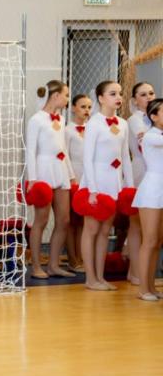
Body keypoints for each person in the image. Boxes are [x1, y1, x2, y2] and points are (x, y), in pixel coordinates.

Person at [79, 81, 134, 291]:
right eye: (112, 94)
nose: (118, 97)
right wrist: (92, 190)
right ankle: (90, 278)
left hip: (114, 182)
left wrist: (129, 187)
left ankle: (100, 277)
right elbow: (87, 159)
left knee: (104, 231)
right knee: (91, 229)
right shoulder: (94, 123)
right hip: (96, 181)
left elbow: (126, 158)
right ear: (101, 98)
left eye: (119, 93)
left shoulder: (123, 123)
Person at [25, 80, 75, 279]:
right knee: (41, 220)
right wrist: (33, 179)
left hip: (60, 169)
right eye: (66, 95)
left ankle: (54, 265)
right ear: (55, 96)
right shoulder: (36, 119)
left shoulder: (61, 119)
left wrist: (71, 175)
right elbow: (30, 151)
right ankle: (36, 266)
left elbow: (63, 149)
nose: (67, 99)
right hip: (43, 170)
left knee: (64, 220)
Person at [125, 82, 156, 285]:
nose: (149, 97)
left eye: (151, 93)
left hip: (156, 170)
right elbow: (145, 143)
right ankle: (135, 272)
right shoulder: (134, 120)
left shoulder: (156, 118)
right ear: (135, 100)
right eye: (143, 94)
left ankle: (142, 273)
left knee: (151, 228)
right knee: (137, 224)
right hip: (142, 169)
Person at [133, 97, 163, 301]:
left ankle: (151, 286)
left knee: (157, 241)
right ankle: (143, 289)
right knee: (149, 240)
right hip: (152, 190)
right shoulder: (151, 136)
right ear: (153, 117)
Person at [64, 93, 92, 272]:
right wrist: (71, 178)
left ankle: (81, 257)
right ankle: (72, 259)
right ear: (74, 108)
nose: (86, 110)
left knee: (83, 220)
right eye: (83, 107)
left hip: (88, 178)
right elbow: (65, 155)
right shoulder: (68, 130)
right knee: (71, 221)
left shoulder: (92, 128)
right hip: (73, 177)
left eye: (89, 107)